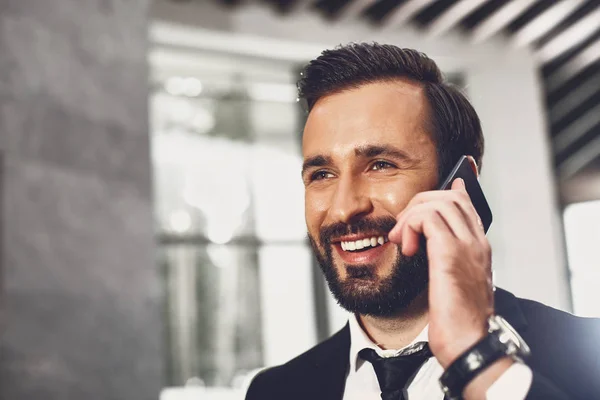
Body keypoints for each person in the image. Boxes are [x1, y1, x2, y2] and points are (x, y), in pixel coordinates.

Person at [245, 43, 600, 400]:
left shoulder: (587, 358)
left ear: (461, 184)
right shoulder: (275, 391)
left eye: (381, 165)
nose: (343, 209)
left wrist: (478, 358)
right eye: (322, 174)